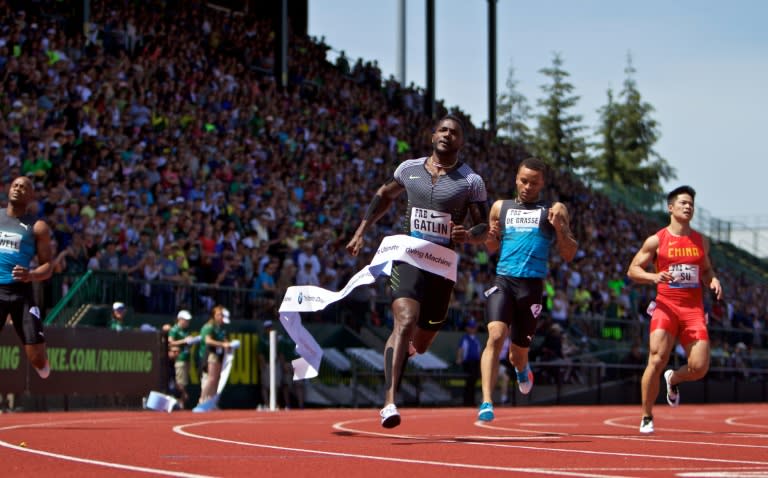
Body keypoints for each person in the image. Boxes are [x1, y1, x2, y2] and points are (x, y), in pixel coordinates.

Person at [346, 114, 489, 428]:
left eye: (454, 132)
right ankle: (389, 401)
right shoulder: (408, 169)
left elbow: (485, 227)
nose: (447, 135)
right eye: (442, 129)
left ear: (461, 141)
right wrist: (361, 230)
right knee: (405, 321)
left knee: (420, 343)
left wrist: (470, 234)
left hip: (442, 267)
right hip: (407, 256)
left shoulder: (471, 181)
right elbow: (384, 195)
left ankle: (400, 352)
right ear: (432, 134)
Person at [477, 157, 578, 422]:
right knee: (496, 335)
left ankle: (523, 369)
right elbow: (490, 247)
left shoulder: (554, 209)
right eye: (523, 181)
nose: (527, 187)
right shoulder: (500, 207)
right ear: (516, 179)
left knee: (517, 354)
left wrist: (560, 230)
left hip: (531, 287)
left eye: (534, 182)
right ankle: (487, 401)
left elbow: (569, 253)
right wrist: (490, 235)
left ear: (542, 183)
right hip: (504, 281)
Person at [627, 185, 722, 434]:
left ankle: (675, 378)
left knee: (700, 367)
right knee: (656, 359)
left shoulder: (701, 241)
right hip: (666, 307)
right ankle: (647, 416)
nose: (688, 207)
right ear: (671, 207)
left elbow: (707, 269)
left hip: (693, 310)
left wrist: (712, 279)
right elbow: (633, 270)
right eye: (683, 203)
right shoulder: (657, 240)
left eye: (691, 203)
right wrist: (654, 277)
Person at [0, 176, 54, 380]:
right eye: (15, 185)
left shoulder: (38, 226)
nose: (18, 189)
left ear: (31, 196)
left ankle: (41, 359)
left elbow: (48, 266)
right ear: (8, 189)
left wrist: (30, 275)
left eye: (24, 187)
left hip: (21, 293)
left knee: (39, 362)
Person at [196, 305, 232, 407]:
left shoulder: (219, 328)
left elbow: (223, 340)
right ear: (213, 316)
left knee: (216, 379)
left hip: (218, 355)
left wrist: (228, 344)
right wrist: (223, 344)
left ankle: (211, 402)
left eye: (222, 315)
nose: (221, 317)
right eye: (218, 315)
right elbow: (208, 340)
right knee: (211, 379)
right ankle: (202, 400)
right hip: (209, 355)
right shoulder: (209, 326)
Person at [166, 309, 193, 407]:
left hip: (186, 358)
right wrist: (184, 341)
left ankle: (181, 402)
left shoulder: (186, 331)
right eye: (185, 320)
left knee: (184, 381)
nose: (187, 322)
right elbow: (170, 342)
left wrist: (190, 342)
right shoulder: (174, 330)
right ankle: (180, 401)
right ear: (180, 319)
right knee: (180, 381)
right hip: (179, 359)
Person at [456, 318, 482, 406]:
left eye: (474, 327)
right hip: (468, 362)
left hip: (476, 362)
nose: (472, 329)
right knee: (470, 381)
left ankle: (472, 401)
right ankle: (467, 401)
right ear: (467, 328)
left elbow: (479, 351)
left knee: (473, 381)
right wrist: (459, 358)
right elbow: (461, 349)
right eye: (471, 327)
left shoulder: (476, 339)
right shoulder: (465, 338)